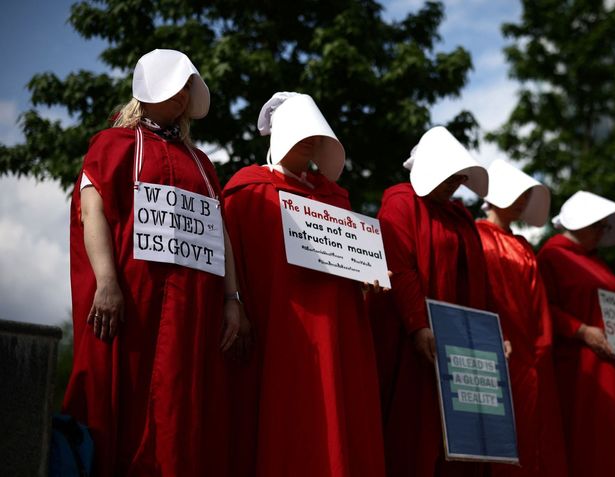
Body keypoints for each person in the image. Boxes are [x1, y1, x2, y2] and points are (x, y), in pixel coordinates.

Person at [63, 49, 241, 476]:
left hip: (190, 316)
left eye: (187, 89)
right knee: (121, 406)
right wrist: (106, 281)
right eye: (176, 87)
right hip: (134, 307)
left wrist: (232, 299)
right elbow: (93, 211)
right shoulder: (112, 145)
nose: (183, 97)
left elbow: (220, 234)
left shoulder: (202, 165)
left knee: (181, 414)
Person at [221, 92, 385, 476]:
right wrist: (236, 303)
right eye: (302, 132)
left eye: (317, 133)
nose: (312, 140)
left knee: (337, 420)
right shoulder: (247, 191)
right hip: (280, 330)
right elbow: (231, 261)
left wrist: (369, 278)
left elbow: (347, 263)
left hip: (338, 332)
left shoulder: (334, 197)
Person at [370, 126, 496, 476]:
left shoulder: (461, 216)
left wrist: (489, 337)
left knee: (464, 439)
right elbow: (400, 266)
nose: (457, 183)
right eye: (450, 175)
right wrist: (417, 325)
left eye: (460, 176)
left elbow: (479, 280)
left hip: (460, 348)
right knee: (417, 436)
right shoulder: (400, 202)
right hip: (417, 346)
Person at [537, 190, 615, 477]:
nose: (603, 233)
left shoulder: (599, 263)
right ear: (580, 223)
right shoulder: (551, 257)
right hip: (584, 371)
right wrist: (580, 330)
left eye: (604, 227)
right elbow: (539, 307)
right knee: (595, 444)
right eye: (598, 226)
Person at [476, 159, 568, 477]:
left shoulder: (524, 247)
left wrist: (541, 354)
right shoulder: (474, 236)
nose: (522, 202)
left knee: (533, 442)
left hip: (531, 360)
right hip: (491, 353)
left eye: (525, 196)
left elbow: (539, 307)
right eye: (517, 194)